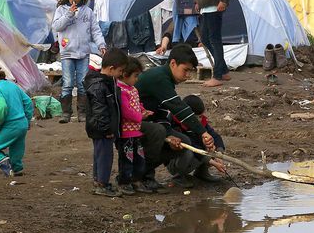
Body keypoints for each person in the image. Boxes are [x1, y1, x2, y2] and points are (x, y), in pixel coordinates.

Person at [136, 44, 222, 187]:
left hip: (147, 122)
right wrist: (203, 132)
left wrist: (169, 135)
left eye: (191, 71)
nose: (188, 76)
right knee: (159, 132)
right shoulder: (159, 78)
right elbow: (179, 108)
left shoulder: (166, 80)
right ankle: (143, 175)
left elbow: (162, 113)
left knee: (183, 141)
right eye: (186, 70)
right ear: (173, 63)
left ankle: (146, 173)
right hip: (132, 122)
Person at [51, 0, 107, 124]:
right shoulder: (61, 9)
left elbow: (95, 30)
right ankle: (66, 113)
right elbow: (56, 27)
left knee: (83, 84)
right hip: (67, 53)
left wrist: (101, 45)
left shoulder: (87, 12)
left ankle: (82, 112)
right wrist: (69, 14)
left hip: (83, 53)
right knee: (68, 83)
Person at [84, 48, 128, 197]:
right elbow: (100, 111)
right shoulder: (99, 85)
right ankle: (102, 184)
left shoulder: (106, 82)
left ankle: (99, 181)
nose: (121, 74)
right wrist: (107, 130)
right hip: (102, 129)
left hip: (101, 128)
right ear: (111, 69)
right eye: (120, 70)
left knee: (99, 154)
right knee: (104, 156)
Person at [116, 57, 154, 195]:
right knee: (126, 159)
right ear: (125, 75)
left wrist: (143, 110)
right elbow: (126, 110)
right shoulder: (121, 90)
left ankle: (136, 180)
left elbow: (137, 104)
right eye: (135, 76)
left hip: (135, 131)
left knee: (139, 158)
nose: (137, 79)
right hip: (125, 132)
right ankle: (124, 182)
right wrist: (140, 116)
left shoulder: (132, 89)